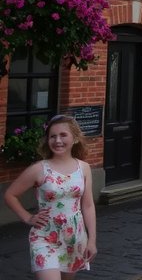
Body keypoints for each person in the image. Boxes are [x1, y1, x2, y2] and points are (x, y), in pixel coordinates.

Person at [4, 114, 97, 277]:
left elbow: (88, 206)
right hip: (45, 237)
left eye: (63, 135)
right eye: (52, 136)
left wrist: (92, 240)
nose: (57, 140)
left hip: (74, 238)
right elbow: (10, 195)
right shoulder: (39, 169)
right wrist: (27, 217)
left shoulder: (83, 168)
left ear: (75, 138)